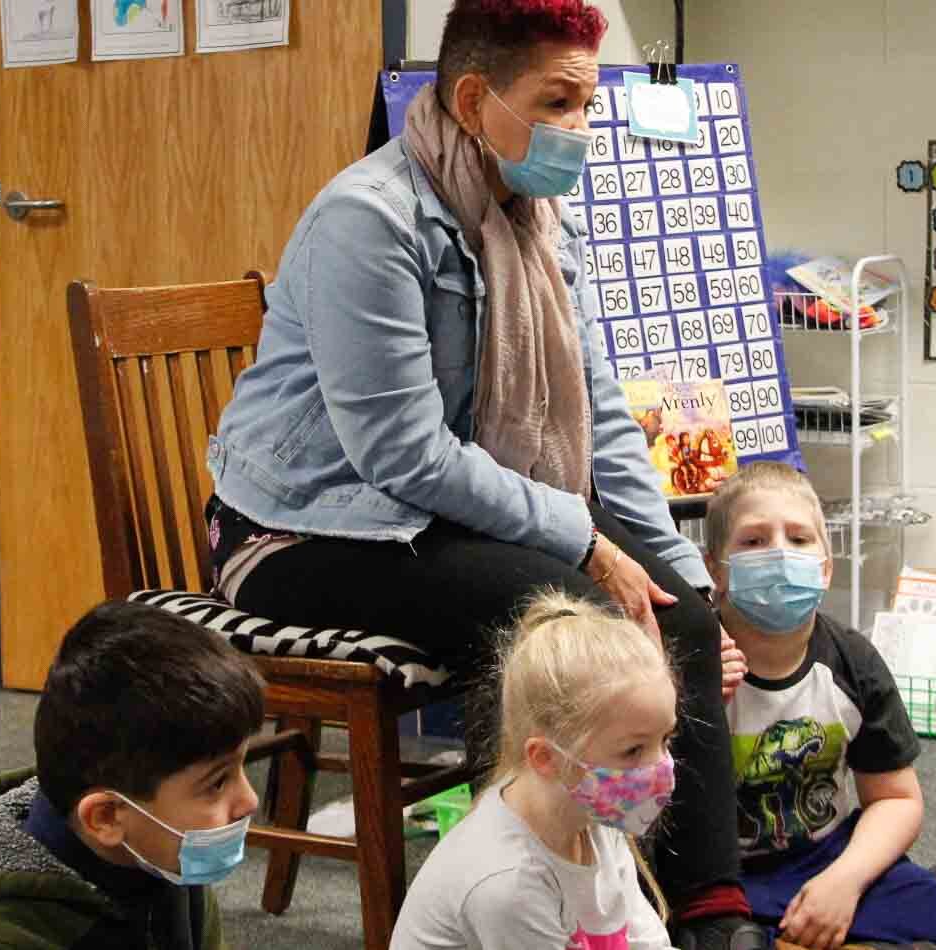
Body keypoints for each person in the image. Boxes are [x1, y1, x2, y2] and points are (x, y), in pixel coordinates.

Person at [202, 2, 759, 945]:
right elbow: (402, 454)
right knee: (553, 610)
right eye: (560, 102)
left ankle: (708, 912)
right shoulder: (366, 220)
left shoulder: (534, 217)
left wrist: (681, 570)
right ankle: (520, 887)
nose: (580, 129)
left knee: (681, 616)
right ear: (473, 98)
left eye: (587, 105)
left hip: (441, 517)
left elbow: (604, 420)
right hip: (301, 530)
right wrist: (582, 539)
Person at [703, 462, 936, 950]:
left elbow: (896, 799)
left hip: (828, 856)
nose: (778, 554)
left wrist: (844, 883)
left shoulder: (851, 661)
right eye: (753, 541)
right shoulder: (691, 660)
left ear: (826, 566)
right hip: (721, 877)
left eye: (798, 539)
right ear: (714, 567)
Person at [393, 592, 685, 949]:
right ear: (546, 758)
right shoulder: (508, 881)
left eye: (666, 739)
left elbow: (648, 943)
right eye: (633, 750)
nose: (660, 768)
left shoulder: (591, 815)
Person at [0, 601, 263, 949]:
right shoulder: (8, 936)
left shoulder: (159, 856)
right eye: (218, 782)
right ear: (106, 816)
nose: (250, 801)